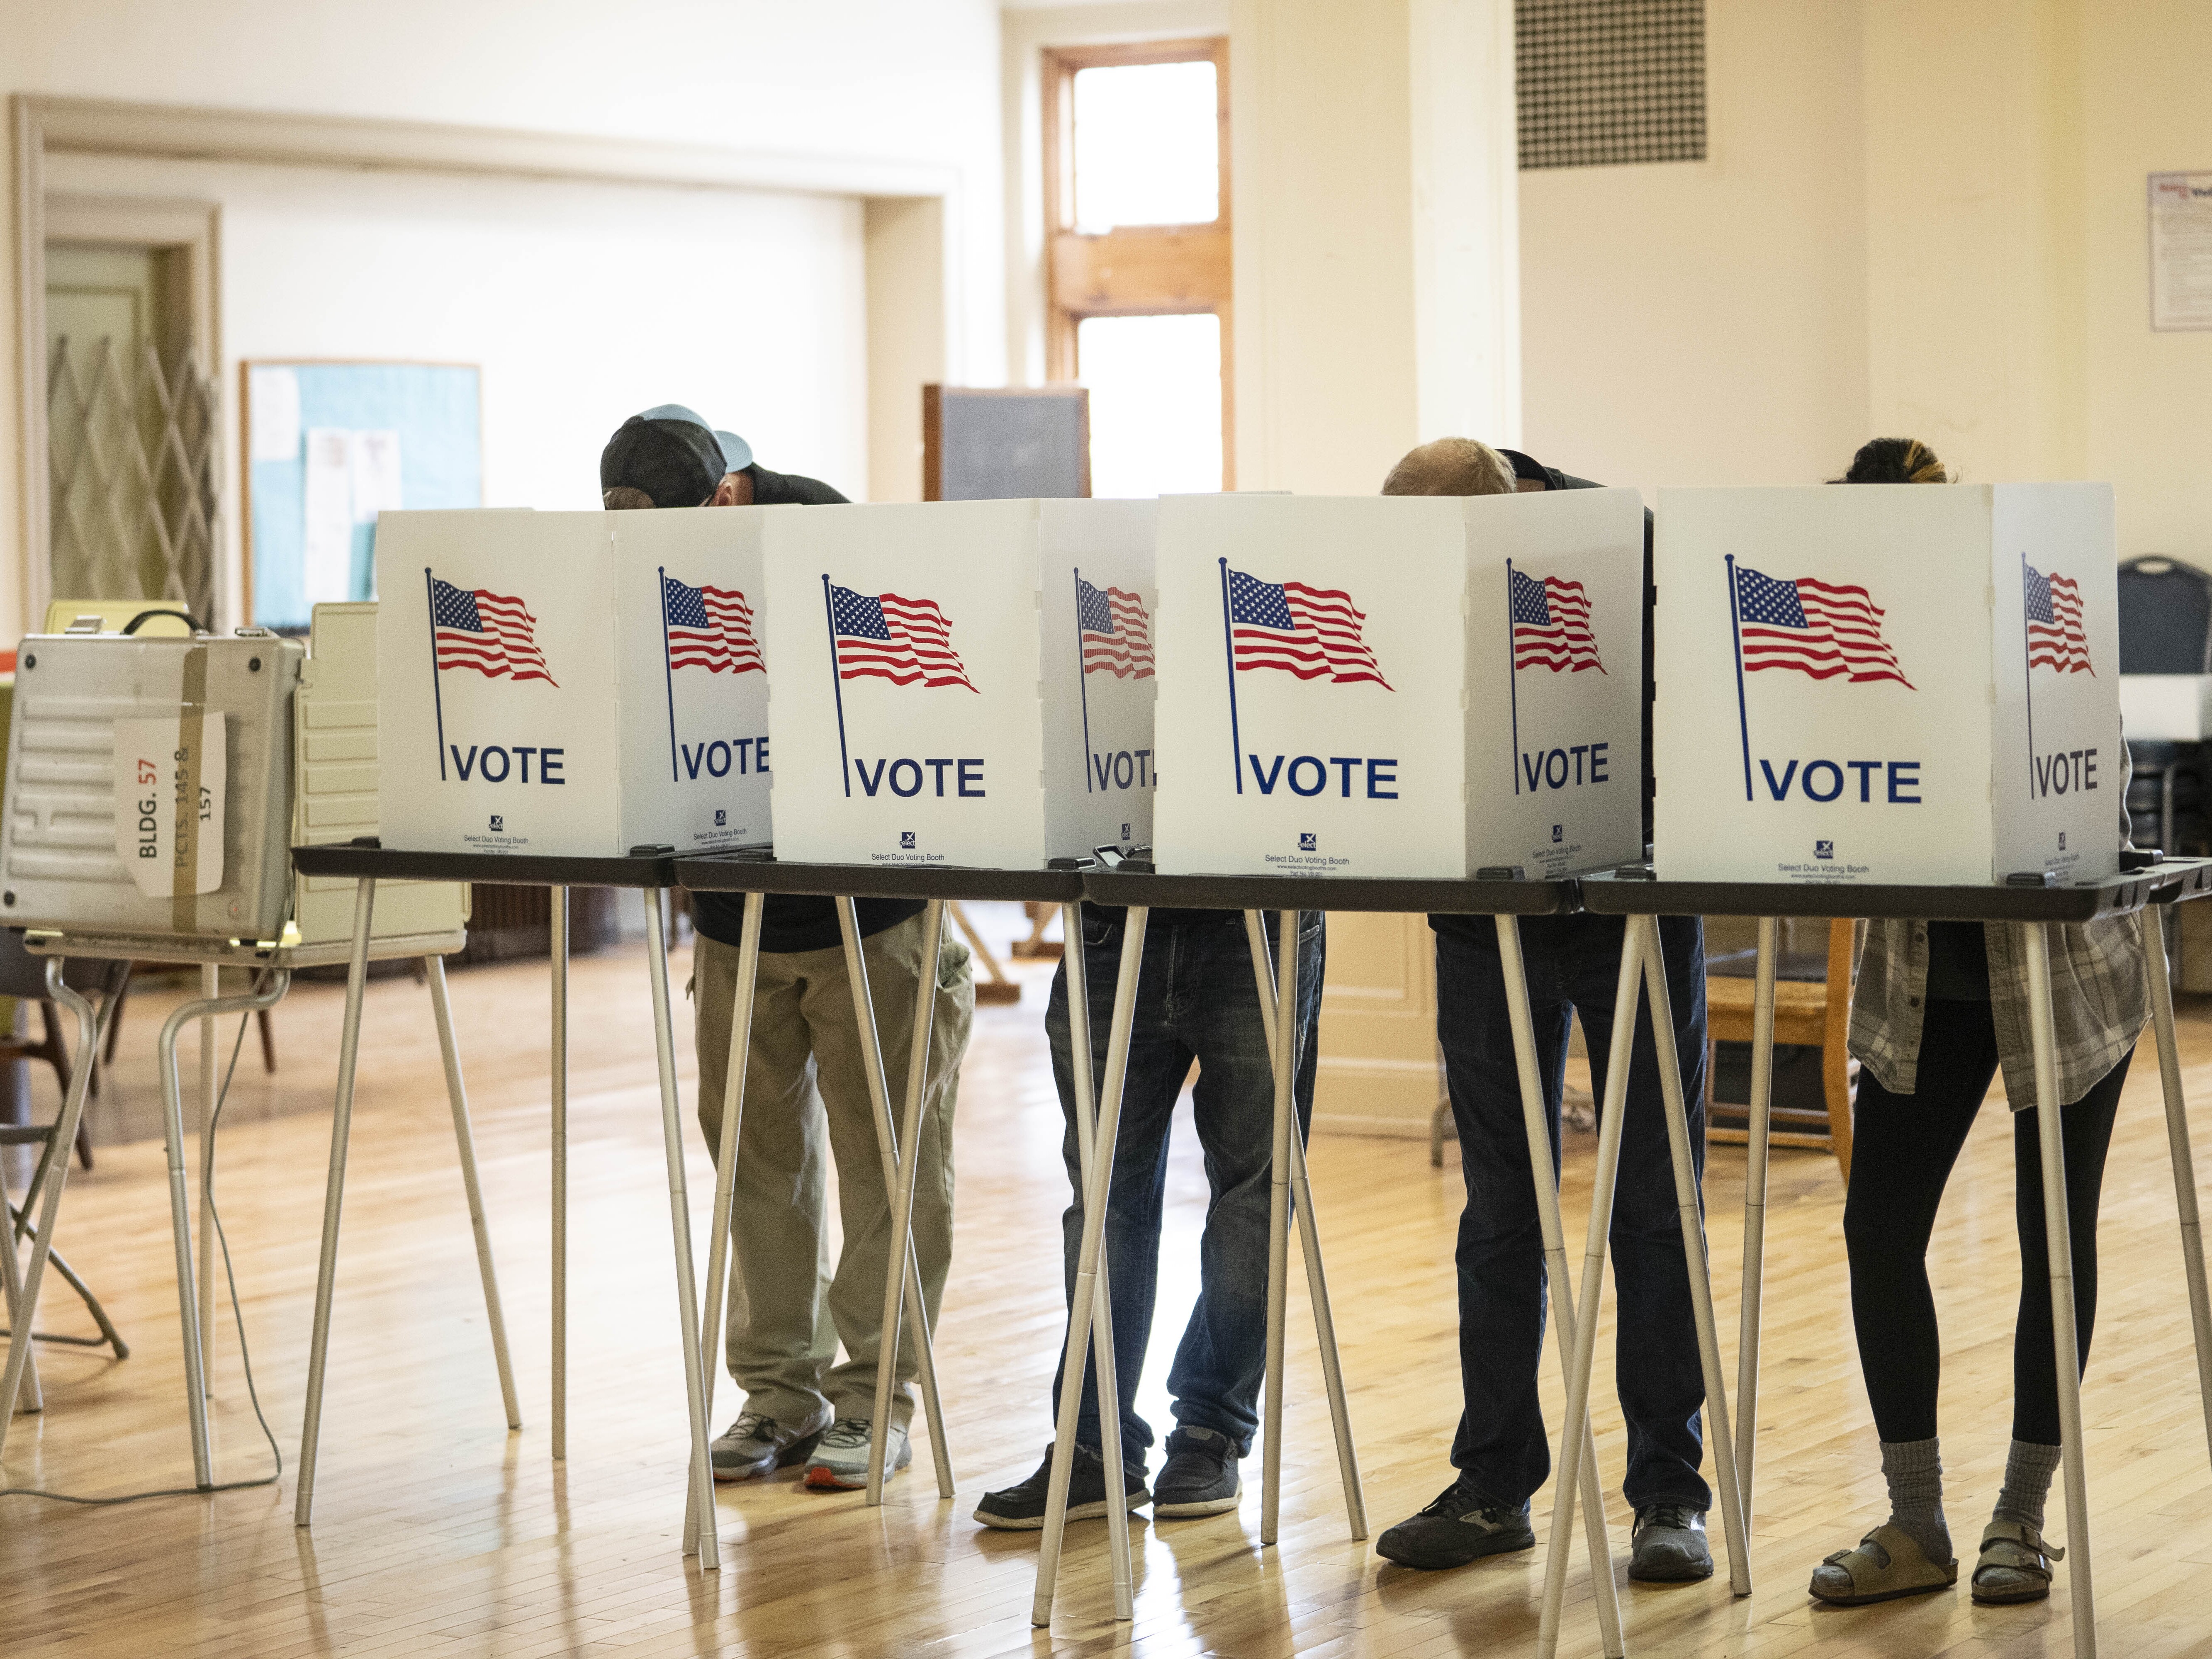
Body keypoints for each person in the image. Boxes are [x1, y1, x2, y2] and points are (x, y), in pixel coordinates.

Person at [601, 404, 976, 1492]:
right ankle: (778, 1393)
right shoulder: (647, 558)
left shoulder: (832, 543)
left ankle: (875, 1398)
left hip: (873, 917)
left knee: (889, 1162)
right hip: (734, 918)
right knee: (756, 1165)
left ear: (726, 494)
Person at [1808, 437, 2145, 1608]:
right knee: (1877, 1231)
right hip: (1919, 984)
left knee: (2052, 1238)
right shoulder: (1841, 642)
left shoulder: (2034, 611)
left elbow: (2090, 785)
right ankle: (1915, 1523)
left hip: (2063, 981)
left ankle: (2020, 1514)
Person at [1373, 437, 1717, 1583]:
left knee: (1653, 1203)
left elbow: (1694, 719)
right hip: (1484, 915)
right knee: (1498, 1209)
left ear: (1504, 512)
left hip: (1627, 901)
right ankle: (1492, 1486)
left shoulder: (1617, 545)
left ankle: (1669, 1493)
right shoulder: (1427, 536)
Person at [971, 901, 1324, 1527]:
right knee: (1104, 1203)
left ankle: (1211, 1430)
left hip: (1258, 921)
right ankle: (1091, 1444)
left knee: (1251, 1195)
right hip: (1108, 921)